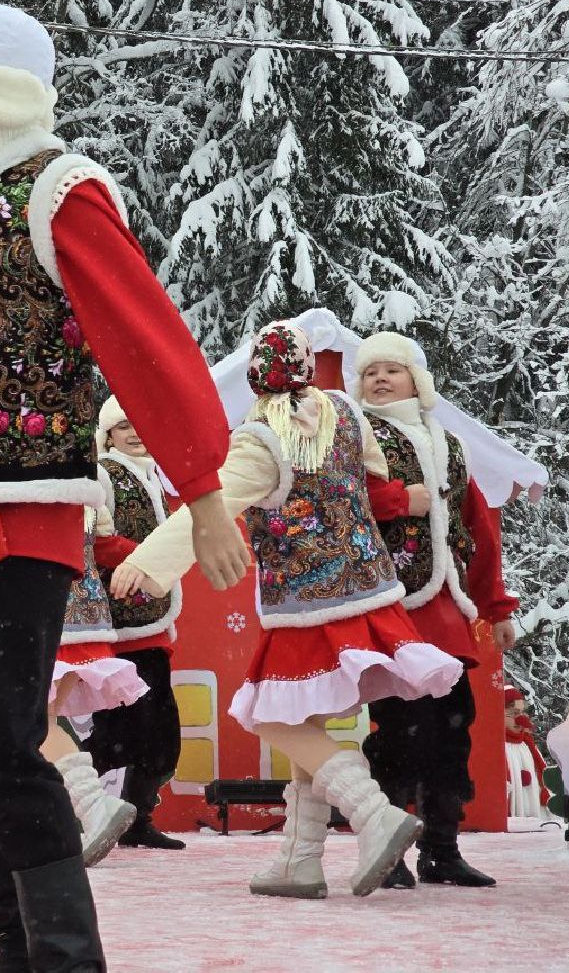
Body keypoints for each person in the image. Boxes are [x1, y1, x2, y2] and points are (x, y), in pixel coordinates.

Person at [0, 3, 245, 972]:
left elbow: (145, 340)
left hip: (24, 515)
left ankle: (62, 957)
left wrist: (202, 488)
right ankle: (13, 924)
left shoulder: (62, 192)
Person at [115, 321, 464, 900]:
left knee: (272, 717)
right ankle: (300, 859)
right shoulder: (344, 412)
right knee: (309, 724)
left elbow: (217, 501)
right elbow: (374, 476)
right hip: (368, 590)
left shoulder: (261, 437)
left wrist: (150, 564)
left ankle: (373, 812)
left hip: (307, 602)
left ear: (255, 377)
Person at [352, 330, 519, 888]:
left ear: (416, 380)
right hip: (387, 608)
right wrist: (400, 500)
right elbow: (332, 501)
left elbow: (478, 531)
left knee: (452, 732)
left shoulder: (447, 444)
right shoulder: (349, 434)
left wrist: (496, 608)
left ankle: (441, 849)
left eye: (391, 370)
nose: (380, 378)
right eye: (370, 370)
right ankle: (390, 852)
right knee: (397, 732)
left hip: (444, 614)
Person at [83, 397, 188, 851]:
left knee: (157, 737)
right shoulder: (104, 473)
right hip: (119, 624)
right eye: (123, 426)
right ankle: (78, 806)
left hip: (151, 625)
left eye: (140, 423)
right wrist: (151, 558)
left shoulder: (154, 478)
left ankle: (137, 817)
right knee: (120, 735)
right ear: (108, 434)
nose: (134, 432)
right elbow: (97, 543)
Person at [38, 487, 147, 867]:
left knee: (34, 722)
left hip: (41, 614)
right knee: (34, 724)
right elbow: (104, 546)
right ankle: (61, 817)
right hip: (78, 613)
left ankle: (94, 806)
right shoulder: (87, 475)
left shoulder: (14, 466)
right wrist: (152, 560)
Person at [502, 686, 550, 819]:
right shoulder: (496, 747)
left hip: (533, 816)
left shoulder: (527, 744)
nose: (520, 719)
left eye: (522, 713)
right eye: (513, 713)